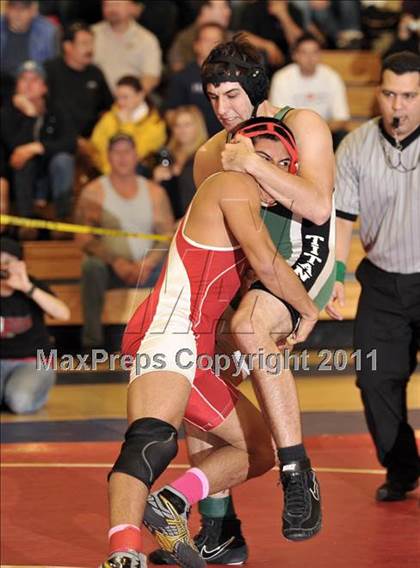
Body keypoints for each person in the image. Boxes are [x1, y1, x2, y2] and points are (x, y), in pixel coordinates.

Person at [100, 117, 319, 568]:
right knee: (151, 443)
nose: (269, 171)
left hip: (193, 348)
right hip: (167, 332)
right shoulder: (229, 184)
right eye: (262, 159)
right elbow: (269, 263)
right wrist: (309, 308)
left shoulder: (245, 204)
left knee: (259, 449)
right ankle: (123, 554)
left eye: (282, 164)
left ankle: (170, 503)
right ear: (241, 156)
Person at [150, 35, 335, 565]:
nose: (223, 109)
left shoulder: (304, 125)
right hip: (253, 265)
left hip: (305, 250)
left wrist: (253, 165)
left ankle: (297, 473)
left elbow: (319, 207)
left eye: (231, 95)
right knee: (198, 367)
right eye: (213, 99)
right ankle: (219, 528)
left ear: (255, 88)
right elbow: (227, 238)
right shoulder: (210, 154)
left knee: (253, 324)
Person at [326, 51, 420, 502]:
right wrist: (336, 274)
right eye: (389, 94)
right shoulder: (355, 146)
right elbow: (343, 219)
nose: (397, 105)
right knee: (374, 377)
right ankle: (402, 469)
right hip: (382, 280)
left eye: (408, 96)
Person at [75, 133, 174, 351]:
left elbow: (167, 235)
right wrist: (116, 262)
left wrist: (148, 263)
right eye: (116, 152)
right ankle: (92, 344)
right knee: (90, 266)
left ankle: (166, 340)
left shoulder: (154, 192)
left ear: (136, 155)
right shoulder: (94, 192)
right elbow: (83, 237)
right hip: (111, 269)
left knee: (176, 267)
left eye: (127, 152)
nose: (122, 157)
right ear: (108, 157)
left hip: (149, 269)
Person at [0, 60, 77, 229]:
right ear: (16, 86)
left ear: (44, 87)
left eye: (34, 80)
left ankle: (63, 218)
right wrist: (29, 115)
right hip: (19, 176)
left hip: (51, 176)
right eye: (23, 79)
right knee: (23, 160)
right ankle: (27, 223)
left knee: (63, 160)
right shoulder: (7, 113)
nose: (28, 85)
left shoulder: (57, 109)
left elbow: (70, 142)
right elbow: (14, 147)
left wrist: (38, 147)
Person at [0, 237, 70, 414]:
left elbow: (63, 314)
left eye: (8, 262)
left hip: (33, 361)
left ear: (20, 264)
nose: (2, 267)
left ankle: (31, 390)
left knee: (19, 402)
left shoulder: (33, 286)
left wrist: (27, 287)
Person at [269, 33, 350, 149]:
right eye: (304, 53)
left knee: (342, 136)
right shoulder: (282, 78)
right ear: (295, 55)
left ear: (320, 54)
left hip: (326, 132)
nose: (310, 58)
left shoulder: (332, 77)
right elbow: (280, 117)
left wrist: (318, 132)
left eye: (314, 52)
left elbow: (341, 118)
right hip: (292, 133)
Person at [44, 22, 114, 140]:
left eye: (92, 43)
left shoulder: (96, 73)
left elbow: (108, 108)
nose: (90, 49)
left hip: (90, 139)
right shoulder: (50, 70)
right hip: (58, 138)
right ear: (68, 46)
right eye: (84, 43)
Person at [90, 75, 166, 176]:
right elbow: (95, 147)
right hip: (106, 174)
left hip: (137, 176)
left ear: (140, 95)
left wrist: (126, 125)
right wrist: (108, 172)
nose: (120, 102)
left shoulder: (156, 124)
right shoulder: (109, 117)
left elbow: (135, 153)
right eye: (117, 97)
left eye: (125, 97)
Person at [164, 23, 227, 137]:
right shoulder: (182, 77)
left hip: (227, 138)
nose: (211, 45)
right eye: (206, 40)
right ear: (196, 45)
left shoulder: (234, 78)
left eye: (216, 41)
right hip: (193, 142)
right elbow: (171, 114)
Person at [92, 0, 162, 94]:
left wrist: (130, 99)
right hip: (93, 99)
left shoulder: (147, 40)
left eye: (117, 4)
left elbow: (151, 77)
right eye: (106, 5)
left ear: (132, 7)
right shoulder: (91, 34)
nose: (111, 9)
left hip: (130, 101)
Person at [153, 106, 208, 220]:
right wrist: (155, 181)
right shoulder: (166, 157)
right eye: (177, 125)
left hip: (197, 221)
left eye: (187, 124)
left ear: (198, 126)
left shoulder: (206, 156)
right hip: (169, 222)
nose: (182, 130)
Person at [0, 0, 58, 101]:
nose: (18, 13)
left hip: (32, 86)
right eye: (13, 7)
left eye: (23, 8)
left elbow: (51, 70)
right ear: (6, 10)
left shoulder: (48, 31)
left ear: (33, 11)